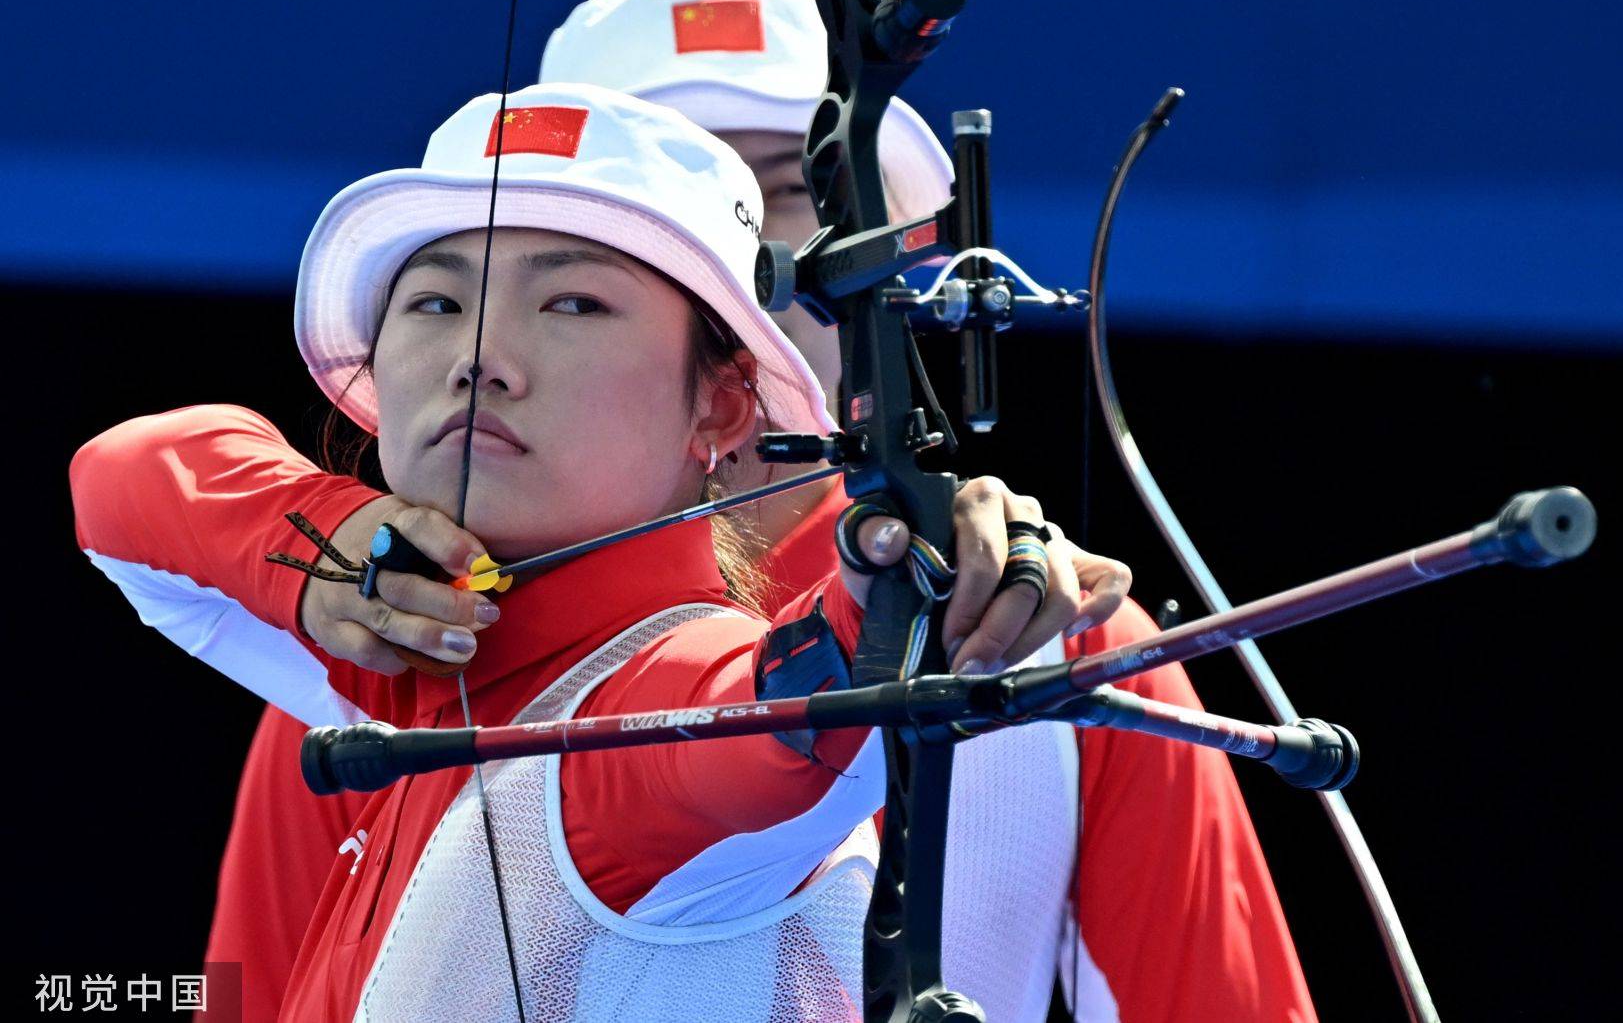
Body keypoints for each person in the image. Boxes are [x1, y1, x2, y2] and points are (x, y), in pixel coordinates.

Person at [203, 0, 1317, 1021]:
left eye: (792, 194)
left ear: (890, 257)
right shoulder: (400, 634)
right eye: (665, 210)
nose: (748, 261)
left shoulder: (1067, 642)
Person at [72, 82, 1117, 1021]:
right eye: (435, 300)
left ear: (717, 402)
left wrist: (915, 585)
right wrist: (319, 535)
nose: (479, 355)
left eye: (572, 302)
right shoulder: (404, 656)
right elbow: (122, 479)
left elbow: (764, 716)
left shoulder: (638, 717)